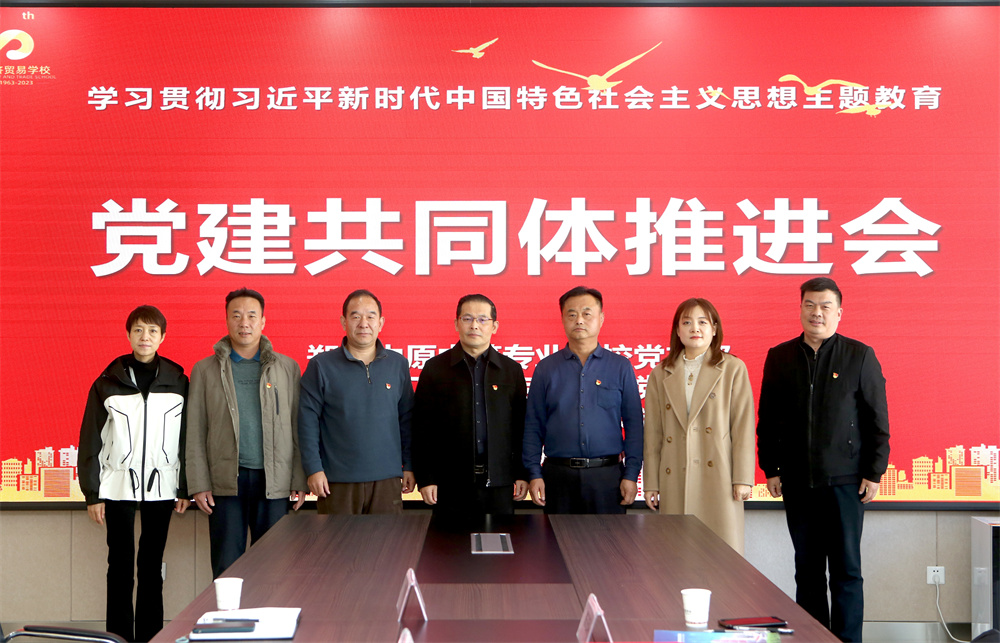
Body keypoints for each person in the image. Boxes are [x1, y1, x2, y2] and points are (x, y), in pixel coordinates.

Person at [756, 277, 890, 642]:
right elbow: (768, 418)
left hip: (846, 481)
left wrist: (874, 471)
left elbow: (877, 420)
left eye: (825, 306)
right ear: (800, 309)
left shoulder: (859, 355)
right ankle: (813, 638)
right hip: (798, 481)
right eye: (810, 305)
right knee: (808, 571)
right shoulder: (780, 357)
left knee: (846, 572)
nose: (817, 313)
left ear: (839, 313)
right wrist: (771, 467)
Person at [78, 305, 189, 642]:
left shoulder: (178, 381)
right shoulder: (107, 382)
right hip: (116, 487)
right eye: (139, 330)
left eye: (152, 331)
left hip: (162, 486)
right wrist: (93, 494)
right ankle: (119, 637)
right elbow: (91, 439)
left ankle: (151, 637)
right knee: (120, 567)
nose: (145, 337)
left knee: (152, 567)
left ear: (163, 337)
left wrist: (184, 487)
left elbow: (188, 439)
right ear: (128, 335)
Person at [186, 288, 306, 579]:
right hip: (226, 482)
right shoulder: (205, 370)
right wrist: (199, 483)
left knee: (274, 567)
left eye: (252, 316)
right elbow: (195, 429)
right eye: (236, 315)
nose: (244, 323)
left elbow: (297, 427)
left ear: (263, 321)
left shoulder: (287, 368)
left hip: (274, 481)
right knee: (226, 566)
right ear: (226, 320)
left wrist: (299, 478)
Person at [642, 298, 755, 553]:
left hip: (720, 475)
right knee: (677, 555)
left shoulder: (732, 368)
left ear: (714, 329)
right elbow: (653, 434)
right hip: (675, 474)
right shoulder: (661, 373)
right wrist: (651, 483)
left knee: (721, 555)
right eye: (687, 322)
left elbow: (743, 428)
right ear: (677, 330)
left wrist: (743, 478)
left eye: (703, 322)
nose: (695, 328)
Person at [523, 286, 643, 514]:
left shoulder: (620, 367)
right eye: (572, 314)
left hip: (608, 477)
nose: (579, 320)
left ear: (601, 318)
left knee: (608, 538)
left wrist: (631, 474)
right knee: (557, 537)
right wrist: (534, 473)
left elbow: (634, 425)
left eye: (587, 313)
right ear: (562, 319)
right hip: (558, 477)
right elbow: (533, 425)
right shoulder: (546, 368)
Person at [298, 289, 414, 514]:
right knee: (337, 538)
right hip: (336, 482)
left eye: (371, 316)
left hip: (387, 480)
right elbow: (307, 422)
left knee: (387, 538)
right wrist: (313, 469)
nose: (364, 323)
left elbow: (407, 420)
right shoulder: (321, 366)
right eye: (355, 316)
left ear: (381, 322)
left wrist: (409, 465)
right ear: (344, 322)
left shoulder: (398, 364)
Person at [412, 294, 528, 515]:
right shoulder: (435, 368)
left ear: (494, 326)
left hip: (499, 481)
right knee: (449, 538)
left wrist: (522, 473)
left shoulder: (511, 370)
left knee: (500, 537)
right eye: (467, 319)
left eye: (482, 319)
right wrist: (427, 477)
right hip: (449, 482)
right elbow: (422, 428)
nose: (474, 325)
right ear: (457, 323)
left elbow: (520, 426)